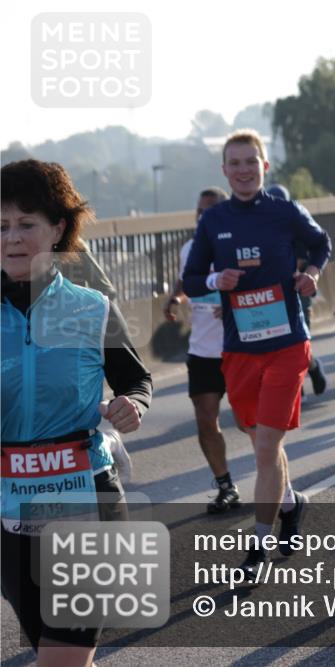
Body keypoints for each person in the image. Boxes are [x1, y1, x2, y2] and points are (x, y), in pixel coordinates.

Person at [2, 159, 152, 667]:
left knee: (61, 661)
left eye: (26, 224)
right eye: (0, 226)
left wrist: (132, 404)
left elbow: (136, 379)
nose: (12, 239)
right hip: (10, 511)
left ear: (58, 228)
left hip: (87, 499)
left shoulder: (92, 309)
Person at [182, 129, 332, 574]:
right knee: (259, 440)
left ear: (264, 167)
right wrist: (215, 281)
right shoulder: (213, 221)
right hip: (239, 351)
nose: (244, 170)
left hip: (287, 345)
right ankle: (290, 503)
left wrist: (312, 273)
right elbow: (191, 280)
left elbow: (321, 243)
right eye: (235, 163)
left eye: (252, 161)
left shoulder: (285, 212)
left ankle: (257, 548)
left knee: (266, 446)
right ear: (224, 170)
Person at [163, 186, 241, 512]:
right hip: (202, 350)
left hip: (240, 347)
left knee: (253, 424)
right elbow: (187, 280)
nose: (202, 216)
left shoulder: (237, 245)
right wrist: (176, 299)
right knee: (206, 421)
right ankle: (226, 486)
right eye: (199, 211)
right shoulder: (189, 248)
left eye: (209, 211)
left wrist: (235, 306)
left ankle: (280, 488)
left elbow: (262, 284)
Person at [266, 184, 328, 396]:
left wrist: (300, 271)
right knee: (277, 344)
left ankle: (313, 367)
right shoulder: (262, 227)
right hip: (272, 295)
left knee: (300, 343)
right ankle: (295, 385)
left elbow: (311, 254)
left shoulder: (297, 224)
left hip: (297, 291)